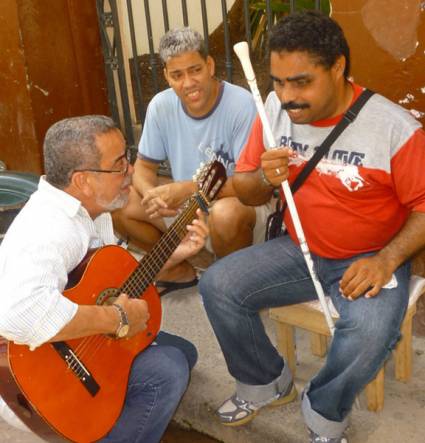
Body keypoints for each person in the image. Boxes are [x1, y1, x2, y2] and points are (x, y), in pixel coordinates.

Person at [199, 10, 425, 443]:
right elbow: (245, 190)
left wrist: (388, 259)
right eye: (279, 82)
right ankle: (267, 382)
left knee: (369, 331)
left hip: (373, 256)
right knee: (218, 285)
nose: (287, 97)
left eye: (301, 82)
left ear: (338, 67)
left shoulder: (395, 128)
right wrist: (263, 177)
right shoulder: (273, 112)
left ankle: (323, 410)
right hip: (300, 249)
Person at [0, 115, 209, 443]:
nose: (130, 172)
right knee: (168, 371)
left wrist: (175, 255)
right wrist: (117, 317)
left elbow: (113, 280)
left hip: (73, 350)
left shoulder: (90, 212)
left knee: (184, 351)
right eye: (119, 165)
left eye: (128, 158)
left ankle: (102, 408)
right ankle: (91, 421)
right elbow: (19, 315)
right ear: (82, 180)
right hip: (34, 380)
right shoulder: (49, 229)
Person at [112, 27, 269, 290]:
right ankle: (189, 264)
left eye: (195, 70)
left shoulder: (242, 105)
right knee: (120, 201)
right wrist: (153, 196)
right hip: (187, 209)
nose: (188, 83)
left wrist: (187, 189)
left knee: (225, 213)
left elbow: (251, 184)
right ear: (166, 76)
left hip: (237, 206)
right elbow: (143, 167)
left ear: (209, 65)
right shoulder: (161, 106)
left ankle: (232, 286)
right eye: (177, 75)